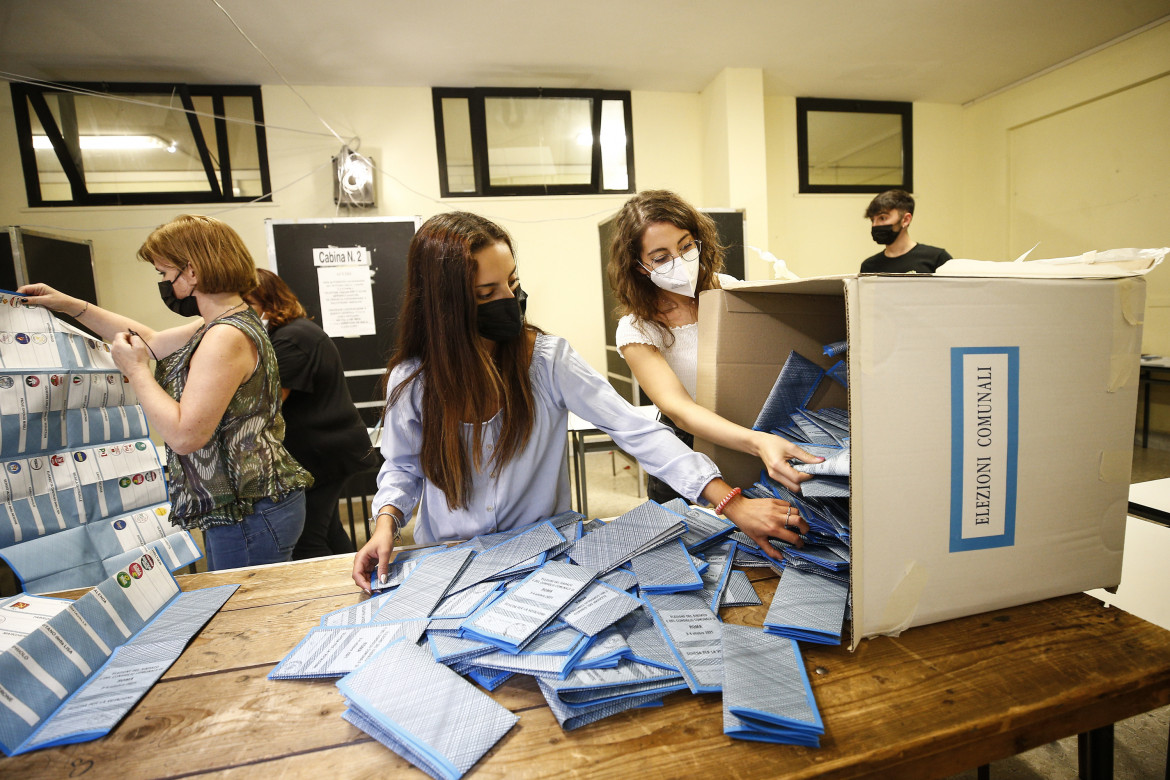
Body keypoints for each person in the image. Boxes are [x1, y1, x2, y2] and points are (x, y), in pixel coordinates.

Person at [351, 211, 809, 592]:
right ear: (443, 305)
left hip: (545, 557)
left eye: (512, 282)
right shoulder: (413, 381)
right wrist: (386, 522)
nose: (510, 301)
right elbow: (404, 466)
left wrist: (730, 501)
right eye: (486, 294)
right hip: (449, 561)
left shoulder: (546, 360)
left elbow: (637, 430)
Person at [18, 215, 312, 571]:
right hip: (249, 503)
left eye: (164, 272)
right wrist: (70, 305)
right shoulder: (227, 321)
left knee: (248, 611)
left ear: (192, 272)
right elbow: (152, 342)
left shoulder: (224, 336)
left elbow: (185, 435)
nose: (163, 282)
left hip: (249, 509)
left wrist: (136, 371)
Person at [606, 190, 821, 506]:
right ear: (640, 266)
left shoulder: (730, 292)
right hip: (687, 451)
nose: (679, 262)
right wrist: (757, 442)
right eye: (662, 257)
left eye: (685, 246)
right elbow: (680, 410)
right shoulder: (638, 328)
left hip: (752, 433)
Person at [244, 268, 372, 559]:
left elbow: (268, 403)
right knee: (326, 530)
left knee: (307, 540)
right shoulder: (293, 334)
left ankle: (334, 600)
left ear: (270, 301)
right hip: (324, 450)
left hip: (324, 454)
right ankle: (359, 584)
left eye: (248, 305)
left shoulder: (291, 339)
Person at [860, 189, 952, 273]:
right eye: (872, 220)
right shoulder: (869, 266)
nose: (875, 225)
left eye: (883, 218)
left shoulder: (936, 258)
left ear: (905, 220)